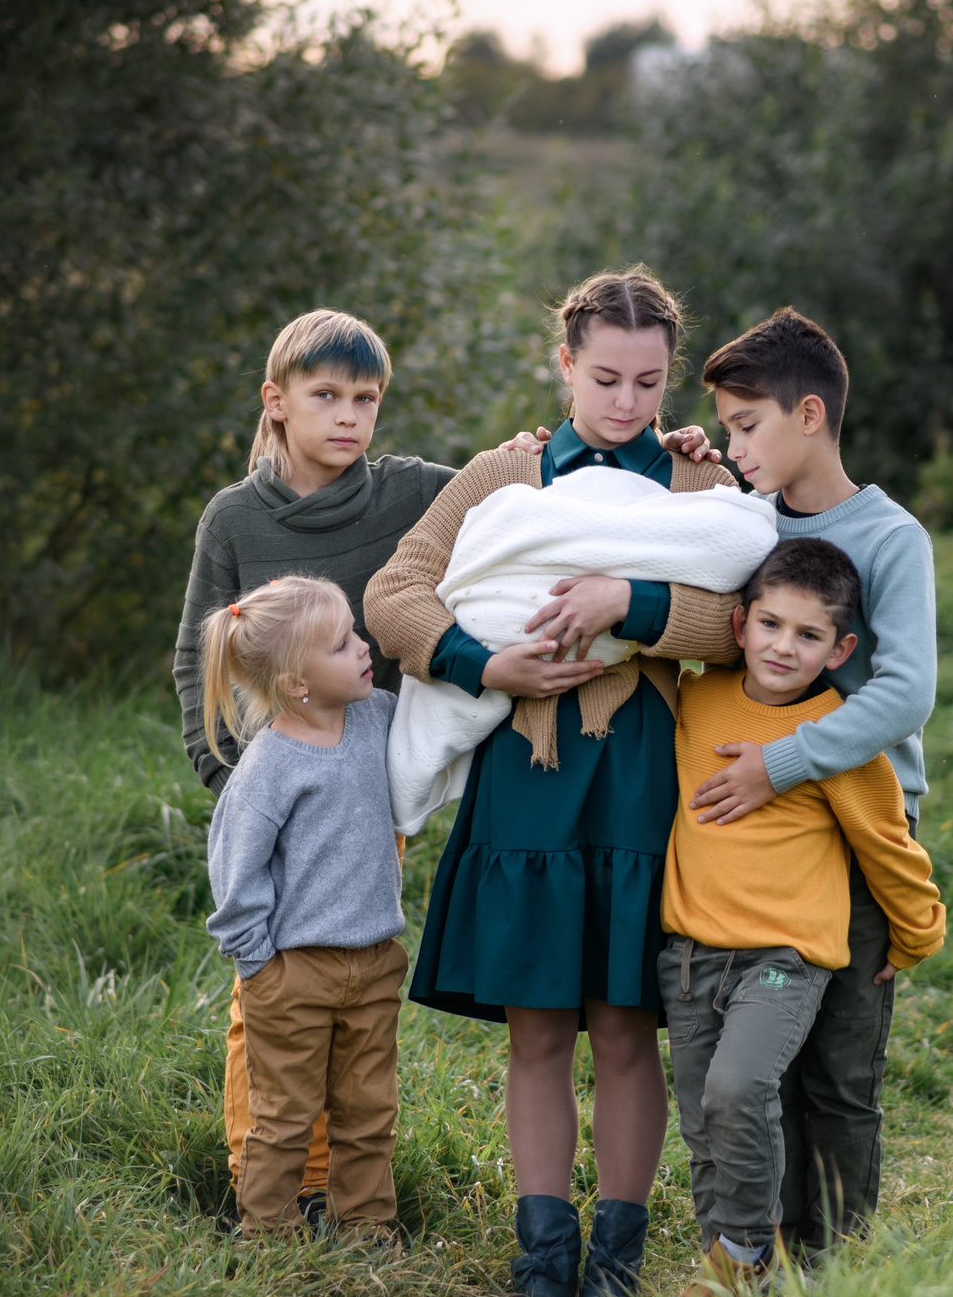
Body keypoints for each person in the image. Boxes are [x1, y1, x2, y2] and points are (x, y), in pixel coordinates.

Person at [171, 308, 717, 1226]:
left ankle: (390, 1196)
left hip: (501, 776)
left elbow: (733, 599)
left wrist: (624, 580)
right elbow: (258, 634)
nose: (349, 417)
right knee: (280, 994)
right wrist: (231, 778)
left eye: (650, 382)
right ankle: (279, 1186)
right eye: (327, 397)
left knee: (385, 977)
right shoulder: (250, 514)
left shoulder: (415, 489)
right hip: (378, 780)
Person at [365, 267, 744, 1297]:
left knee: (623, 1025)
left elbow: (747, 616)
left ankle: (615, 1267)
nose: (628, 404)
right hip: (524, 780)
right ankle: (541, 1261)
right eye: (607, 378)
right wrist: (487, 666)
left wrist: (633, 599)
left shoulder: (695, 487)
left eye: (650, 382)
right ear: (564, 363)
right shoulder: (503, 473)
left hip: (636, 781)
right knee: (536, 1027)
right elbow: (394, 592)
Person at [691, 308, 941, 1258]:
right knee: (762, 1068)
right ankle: (758, 1244)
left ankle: (831, 1264)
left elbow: (907, 690)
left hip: (858, 831)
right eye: (723, 427)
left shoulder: (890, 537)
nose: (732, 444)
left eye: (744, 426)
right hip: (751, 843)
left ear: (808, 415)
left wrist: (781, 763)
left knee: (837, 1067)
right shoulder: (739, 523)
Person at [661, 538, 945, 1291]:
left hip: (785, 961)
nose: (784, 646)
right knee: (703, 1122)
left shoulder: (836, 740)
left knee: (738, 1089)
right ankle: (734, 1268)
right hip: (689, 955)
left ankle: (747, 1252)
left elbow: (890, 847)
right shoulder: (693, 700)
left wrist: (916, 933)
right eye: (771, 624)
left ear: (840, 647)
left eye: (809, 634)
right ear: (739, 625)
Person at [197, 575, 408, 1238]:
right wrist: (259, 966)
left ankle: (369, 1228)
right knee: (286, 1115)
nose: (364, 645)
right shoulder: (269, 767)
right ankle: (268, 1232)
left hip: (374, 963)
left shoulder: (379, 714)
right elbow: (235, 874)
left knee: (369, 1109)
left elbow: (442, 731)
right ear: (296, 683)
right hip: (293, 975)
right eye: (343, 642)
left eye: (356, 630)